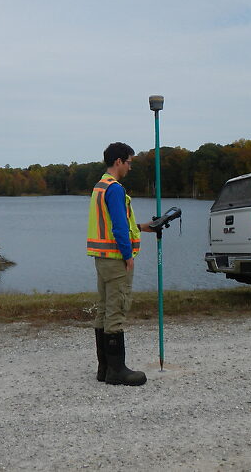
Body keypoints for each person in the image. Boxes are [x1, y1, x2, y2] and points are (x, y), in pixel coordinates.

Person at [87, 142, 156, 386]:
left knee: (104, 310)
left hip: (102, 259)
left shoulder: (100, 186)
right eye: (128, 162)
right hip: (116, 260)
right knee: (116, 310)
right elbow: (117, 227)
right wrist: (128, 256)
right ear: (118, 161)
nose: (130, 167)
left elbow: (116, 224)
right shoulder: (115, 189)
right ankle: (117, 371)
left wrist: (143, 227)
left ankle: (104, 368)